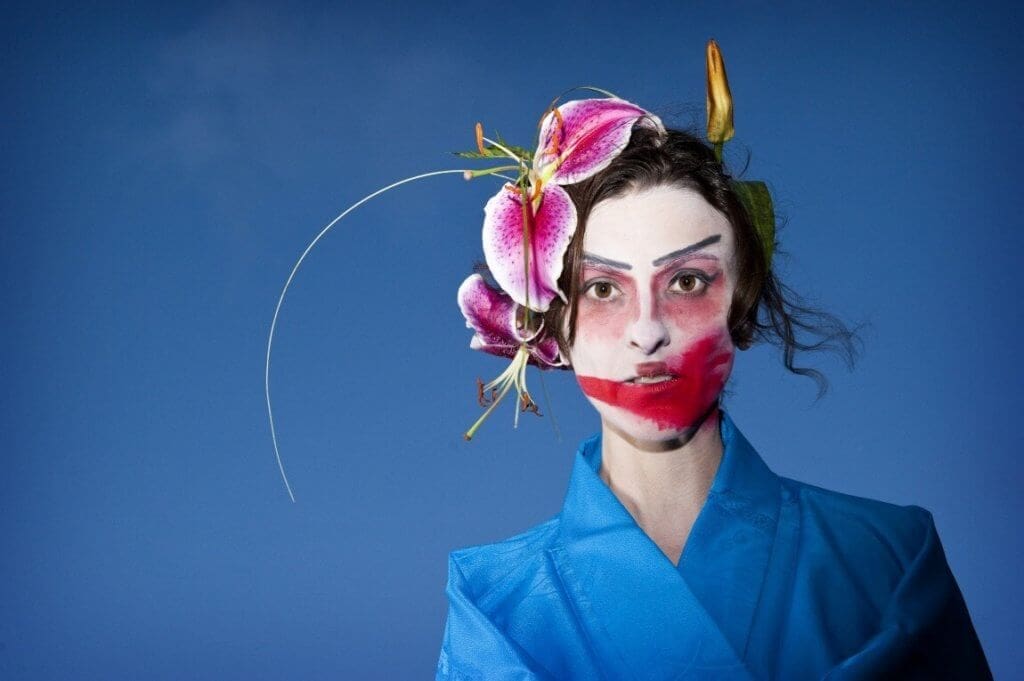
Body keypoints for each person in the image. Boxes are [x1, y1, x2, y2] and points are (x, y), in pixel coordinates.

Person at [437, 45, 992, 680]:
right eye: (601, 289)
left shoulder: (892, 557)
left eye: (689, 283)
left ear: (743, 299)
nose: (648, 332)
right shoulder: (492, 601)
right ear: (552, 326)